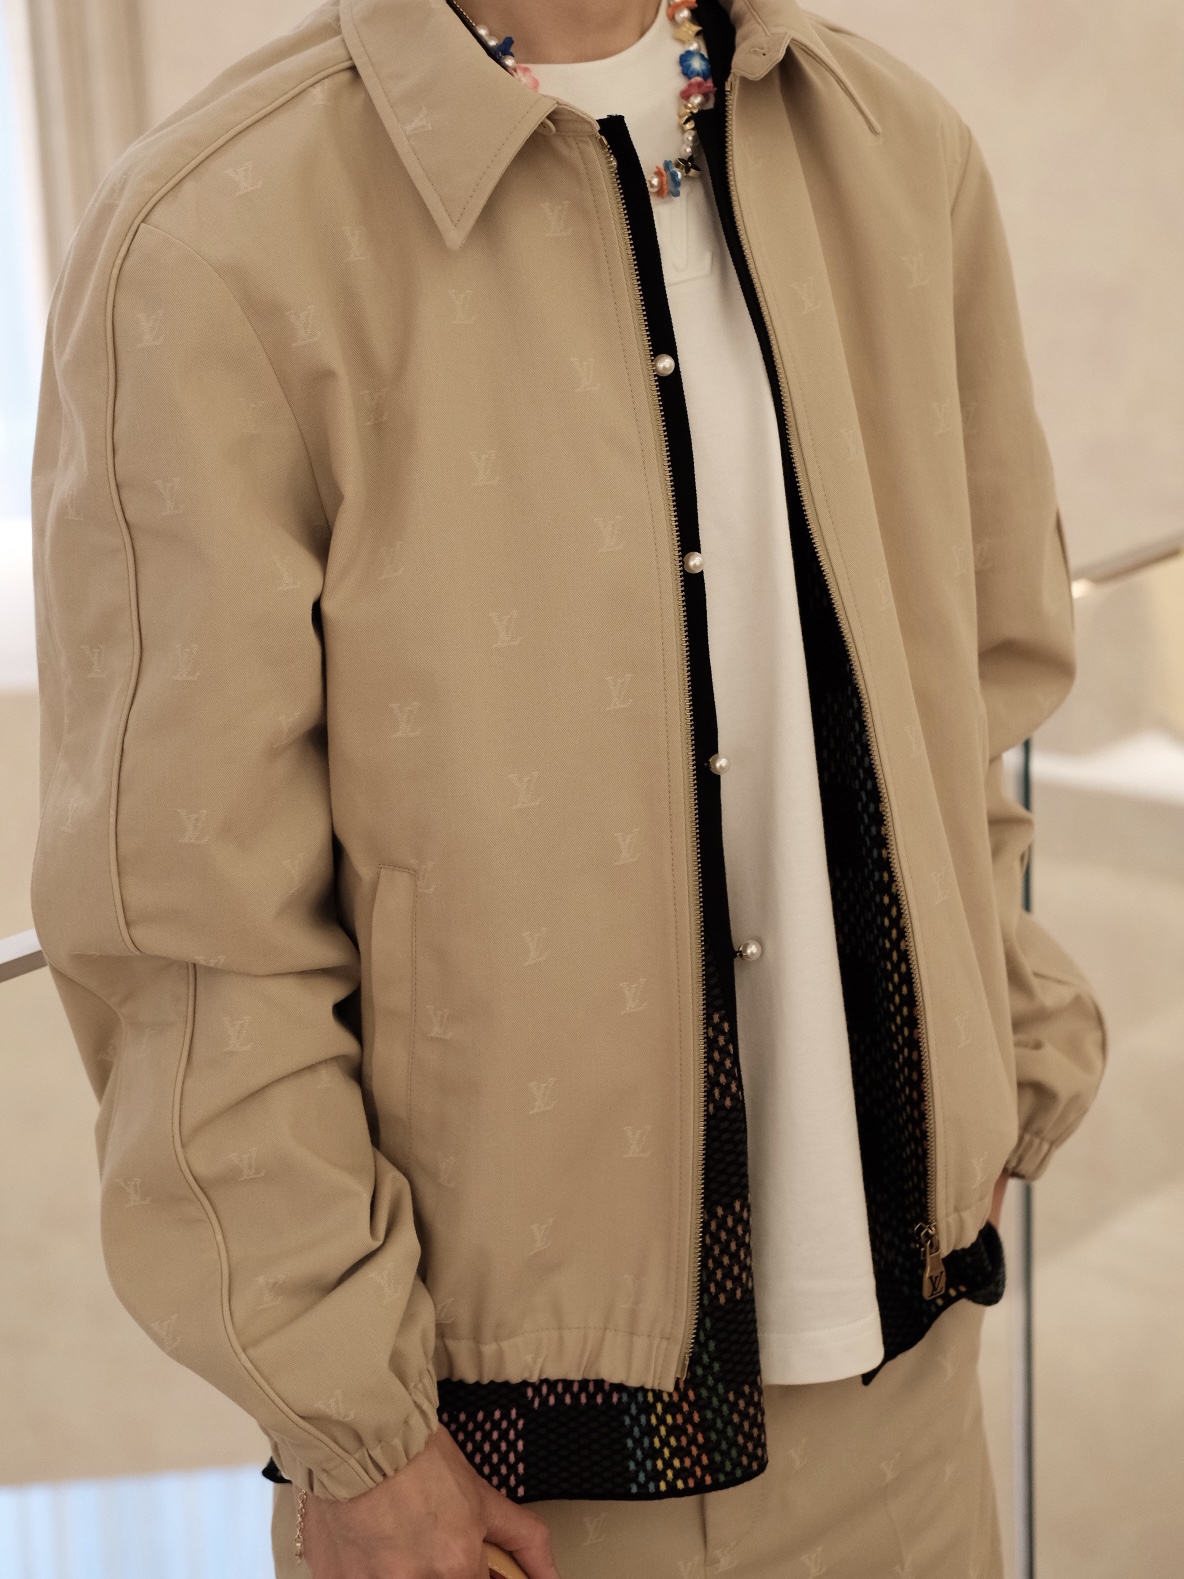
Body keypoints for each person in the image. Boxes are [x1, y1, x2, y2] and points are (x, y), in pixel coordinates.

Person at [30, 0, 1107, 1574]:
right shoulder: (216, 233)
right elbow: (187, 926)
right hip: (495, 1476)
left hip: (914, 1403)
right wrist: (356, 1430)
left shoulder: (896, 149)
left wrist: (1004, 1062)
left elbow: (985, 685)